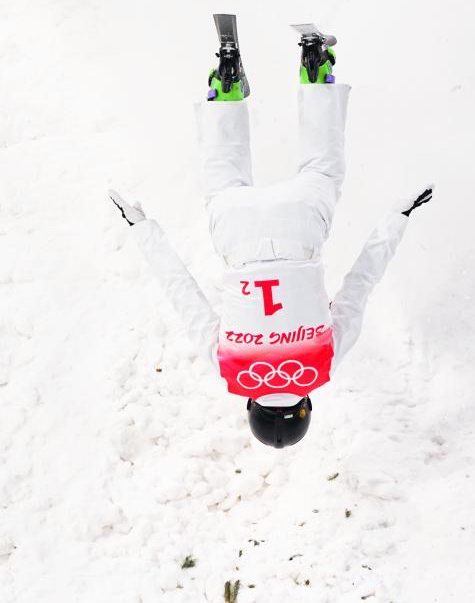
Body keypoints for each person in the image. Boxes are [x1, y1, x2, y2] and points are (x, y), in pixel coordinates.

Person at [109, 23, 433, 448]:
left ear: (308, 403)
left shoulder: (323, 364)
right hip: (237, 235)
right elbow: (180, 292)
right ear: (251, 405)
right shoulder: (228, 368)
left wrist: (399, 215)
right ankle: (225, 88)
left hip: (301, 229)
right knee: (223, 177)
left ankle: (316, 68)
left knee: (322, 170)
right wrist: (140, 226)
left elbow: (361, 282)